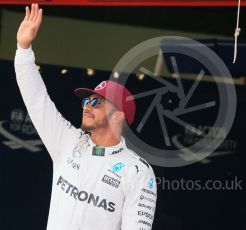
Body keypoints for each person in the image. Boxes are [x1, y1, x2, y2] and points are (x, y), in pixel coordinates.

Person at [15, 4, 157, 230]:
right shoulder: (67, 141)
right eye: (86, 101)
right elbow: (36, 100)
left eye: (96, 102)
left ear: (118, 116)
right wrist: (24, 49)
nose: (87, 106)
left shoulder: (137, 171)